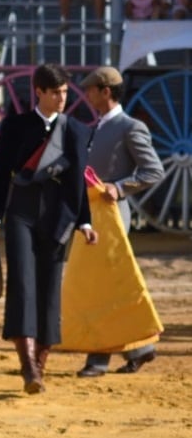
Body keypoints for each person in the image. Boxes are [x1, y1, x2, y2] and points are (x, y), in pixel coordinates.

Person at [0, 63, 97, 395]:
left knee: (49, 291)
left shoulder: (75, 130)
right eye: (56, 92)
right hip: (21, 213)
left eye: (65, 92)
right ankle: (29, 366)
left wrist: (85, 221)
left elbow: (78, 182)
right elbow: (2, 173)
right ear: (39, 92)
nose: (62, 98)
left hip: (59, 216)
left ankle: (40, 366)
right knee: (22, 283)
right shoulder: (15, 127)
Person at [75, 67, 164, 378]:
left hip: (112, 216)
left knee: (100, 286)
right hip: (94, 214)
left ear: (106, 92)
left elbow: (153, 170)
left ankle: (98, 359)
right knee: (110, 285)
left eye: (91, 89)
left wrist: (119, 186)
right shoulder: (96, 127)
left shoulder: (130, 126)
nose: (87, 94)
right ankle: (139, 349)